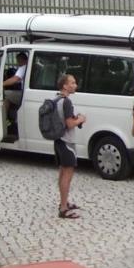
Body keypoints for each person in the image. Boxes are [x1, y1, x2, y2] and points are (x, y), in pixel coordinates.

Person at [54, 73, 85, 219]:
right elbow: (70, 124)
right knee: (67, 174)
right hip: (67, 142)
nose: (75, 85)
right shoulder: (66, 102)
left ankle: (63, 202)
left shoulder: (57, 99)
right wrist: (80, 119)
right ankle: (64, 208)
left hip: (59, 140)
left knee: (62, 173)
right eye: (72, 83)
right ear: (65, 85)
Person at [3, 52, 29, 141]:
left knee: (5, 95)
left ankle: (5, 121)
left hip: (24, 94)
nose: (17, 63)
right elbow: (20, 80)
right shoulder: (30, 66)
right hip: (24, 93)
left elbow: (15, 79)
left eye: (18, 61)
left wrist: (0, 84)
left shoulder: (23, 67)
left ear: (22, 60)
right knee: (11, 93)